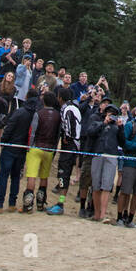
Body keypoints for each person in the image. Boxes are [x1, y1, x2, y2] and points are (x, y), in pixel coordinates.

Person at [0, 87, 39, 213]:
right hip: (22, 149)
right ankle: (12, 203)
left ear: (27, 97)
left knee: (3, 176)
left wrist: (4, 141)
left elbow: (9, 127)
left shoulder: (20, 112)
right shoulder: (35, 114)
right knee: (15, 177)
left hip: (11, 147)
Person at [23, 91, 61, 213]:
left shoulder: (38, 113)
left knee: (32, 176)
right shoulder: (58, 115)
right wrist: (54, 149)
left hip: (37, 147)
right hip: (49, 149)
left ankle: (28, 204)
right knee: (44, 177)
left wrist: (29, 146)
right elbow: (57, 135)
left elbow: (32, 132)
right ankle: (40, 203)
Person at [47, 87, 82, 216]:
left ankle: (60, 204)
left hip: (70, 145)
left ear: (60, 97)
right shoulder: (75, 108)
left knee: (63, 174)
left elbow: (69, 126)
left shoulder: (67, 109)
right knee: (64, 174)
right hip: (75, 145)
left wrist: (67, 138)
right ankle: (60, 203)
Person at [116, 103, 136, 226]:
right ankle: (119, 216)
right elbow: (123, 142)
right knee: (125, 191)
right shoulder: (130, 125)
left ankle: (130, 217)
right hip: (130, 161)